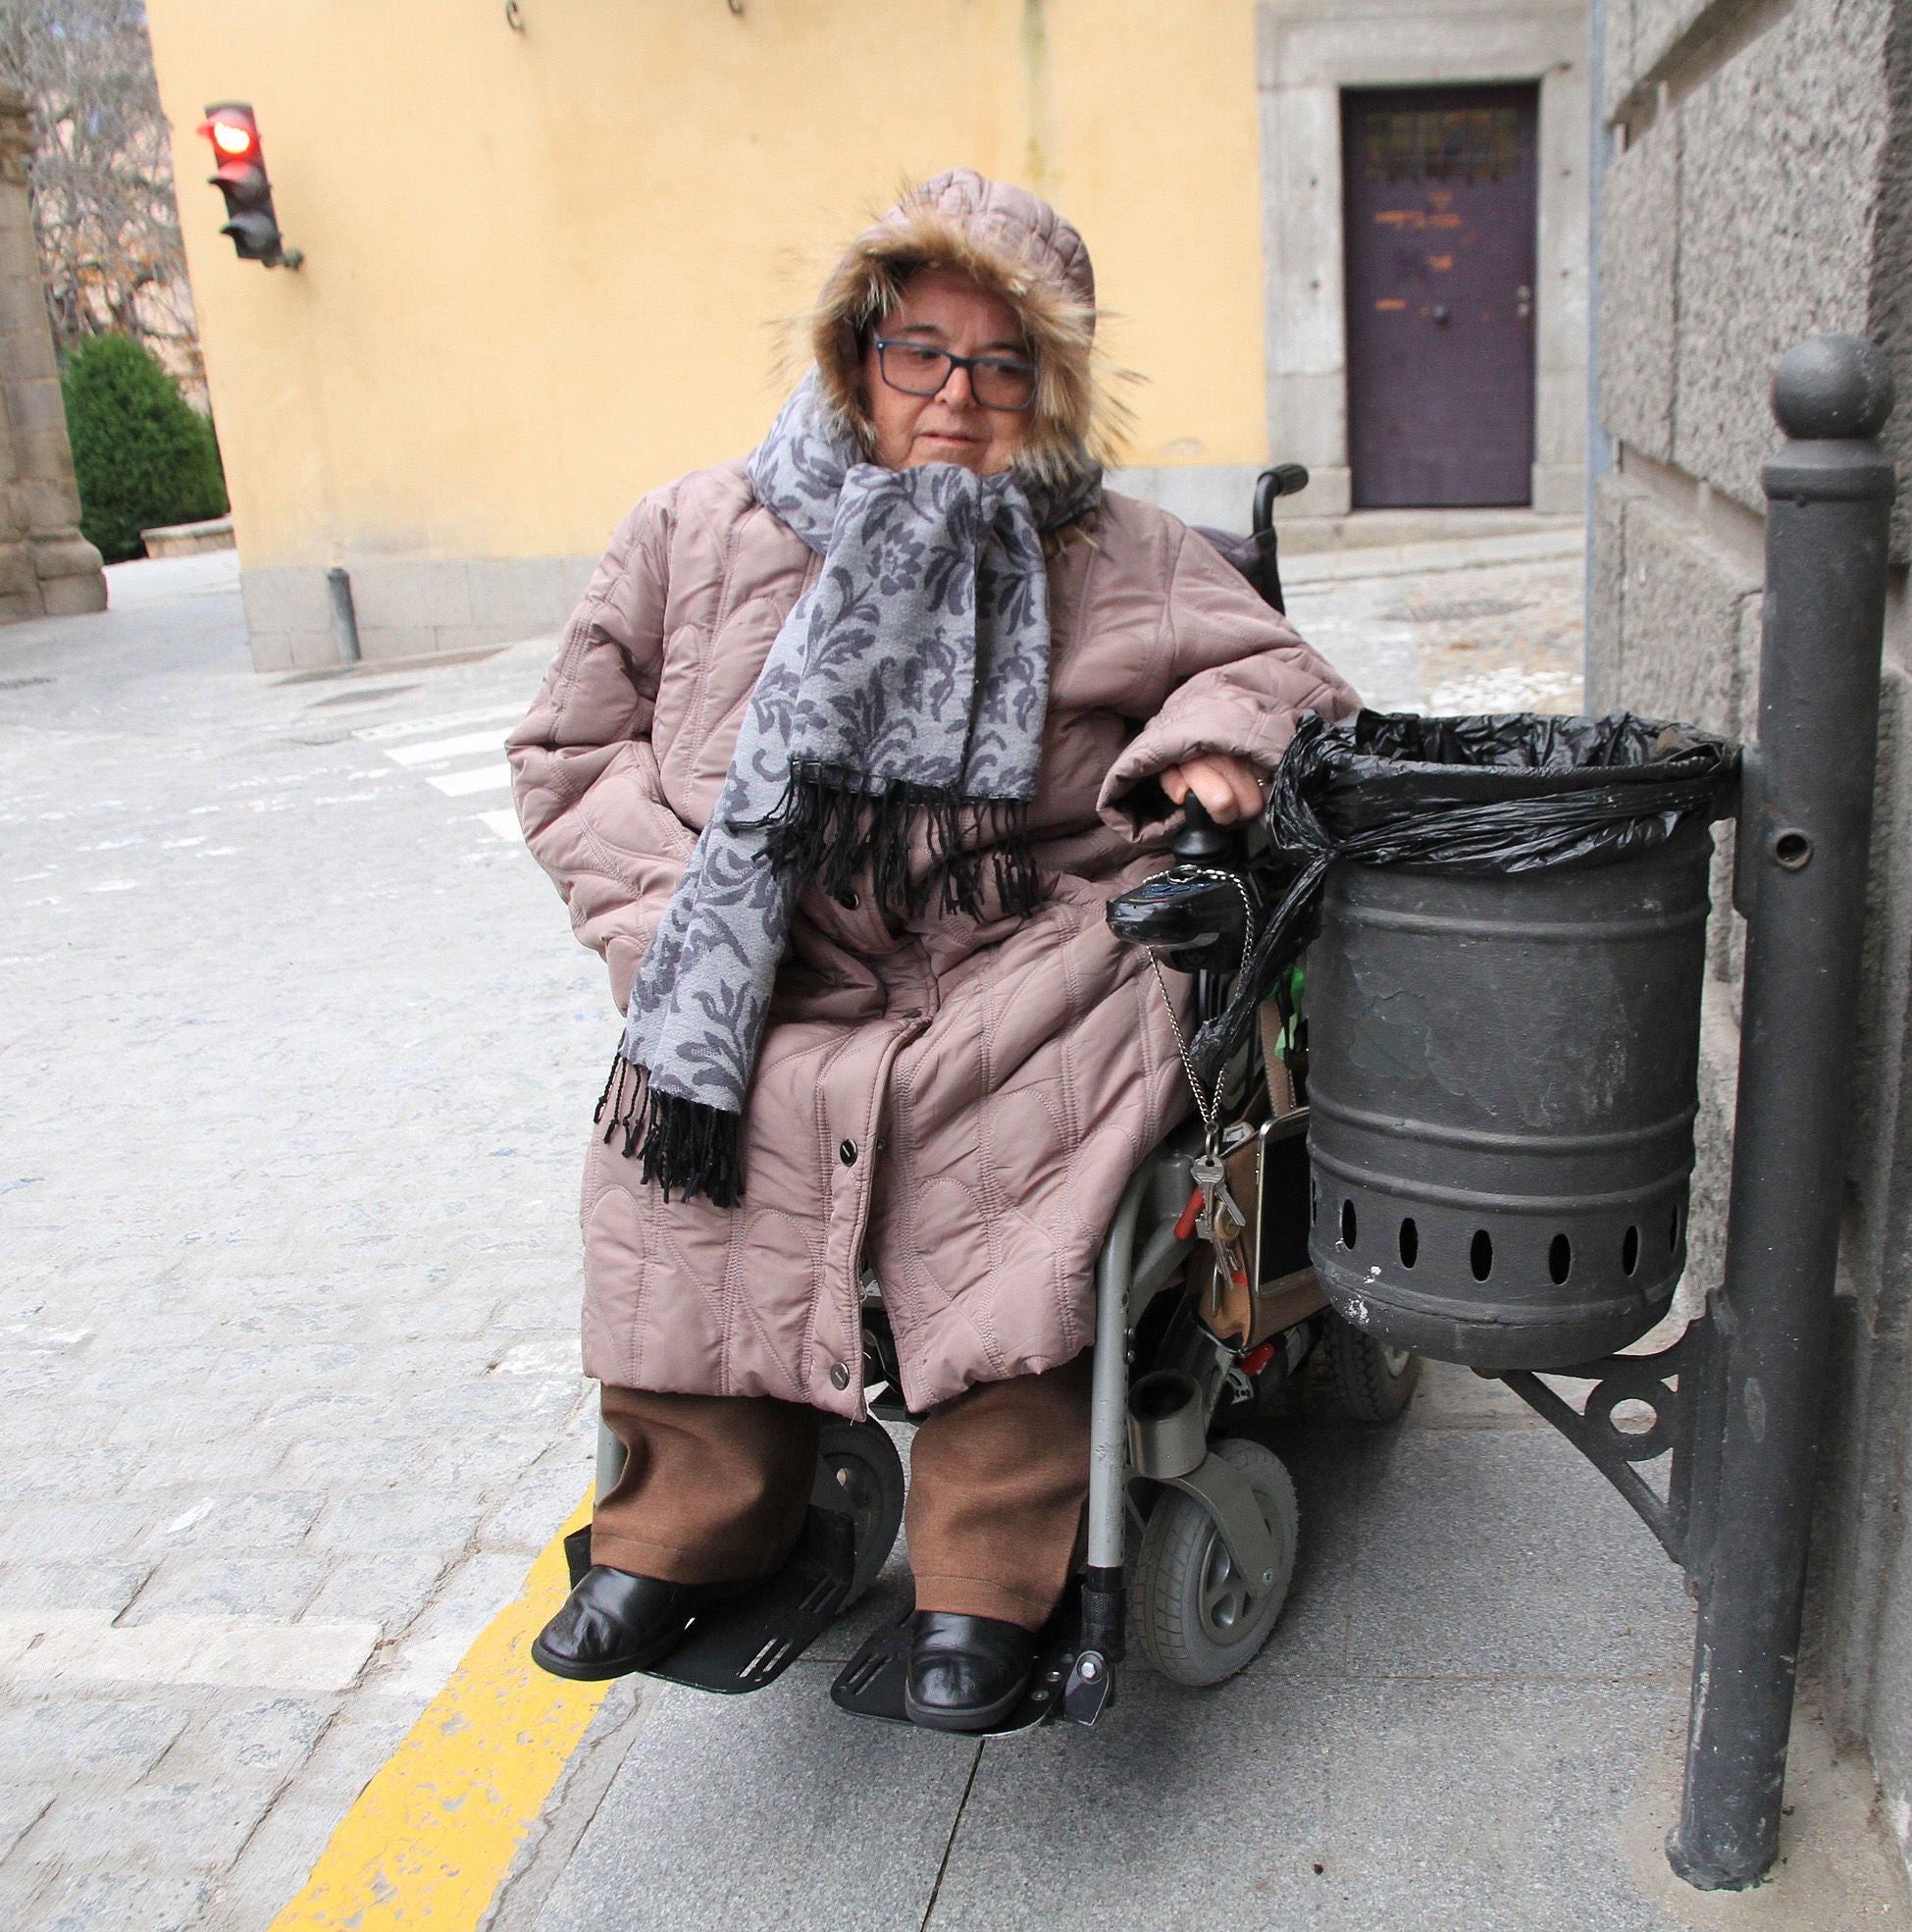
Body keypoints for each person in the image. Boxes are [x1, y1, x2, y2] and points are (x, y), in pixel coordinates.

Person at [505, 169, 1356, 1731]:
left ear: (1050, 387)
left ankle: (990, 1564)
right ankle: (683, 1523)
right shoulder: (696, 528)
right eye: (921, 352)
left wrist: (1216, 741)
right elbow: (569, 751)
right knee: (686, 1133)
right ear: (857, 348)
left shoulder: (1113, 545)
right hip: (771, 968)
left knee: (1028, 1160)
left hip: (1023, 960)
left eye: (1002, 364)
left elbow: (1283, 672)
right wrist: (676, 922)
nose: (956, 397)